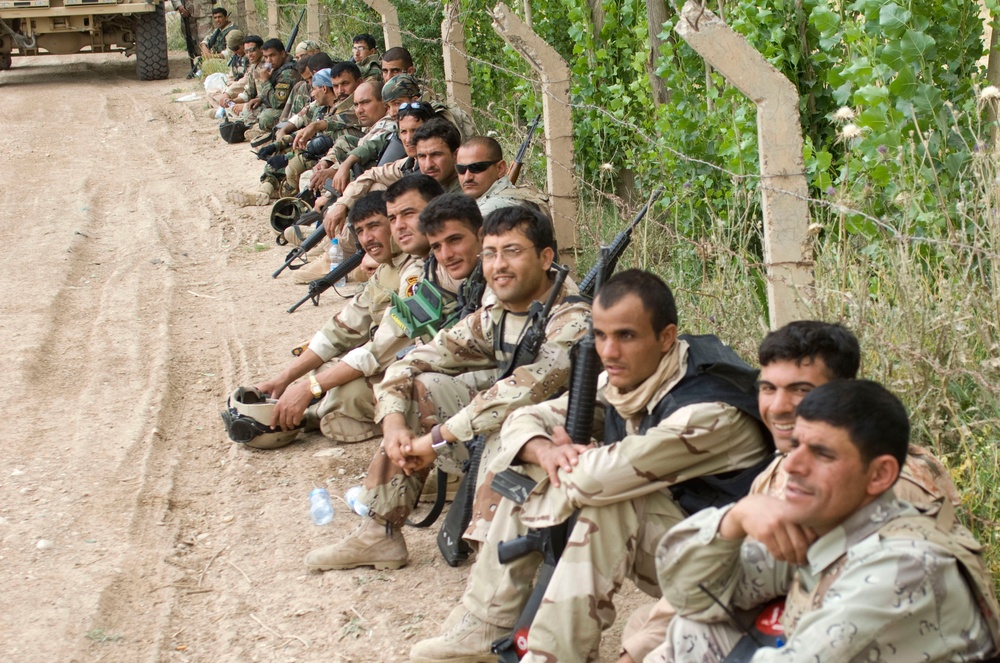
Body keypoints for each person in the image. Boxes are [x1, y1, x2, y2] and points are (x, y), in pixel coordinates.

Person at [409, 270, 772, 662]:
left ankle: (555, 655)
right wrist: (544, 451)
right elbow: (522, 418)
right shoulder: (638, 374)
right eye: (600, 335)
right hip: (684, 542)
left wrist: (566, 457)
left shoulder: (707, 410)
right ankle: (486, 624)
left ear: (667, 337)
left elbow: (592, 481)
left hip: (737, 570)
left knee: (612, 500)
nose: (609, 352)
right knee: (528, 457)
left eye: (626, 336)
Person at [621, 320, 962, 663]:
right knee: (669, 627)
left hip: (848, 634)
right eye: (768, 388)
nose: (778, 406)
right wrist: (734, 519)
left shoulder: (882, 487)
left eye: (800, 390)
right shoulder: (785, 466)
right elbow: (708, 589)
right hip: (805, 614)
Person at [303, 205, 591, 572]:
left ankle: (497, 573)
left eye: (512, 252)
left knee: (507, 426)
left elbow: (517, 394)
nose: (499, 265)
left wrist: (434, 441)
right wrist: (393, 424)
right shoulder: (500, 313)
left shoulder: (572, 320)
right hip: (518, 428)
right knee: (417, 386)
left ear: (546, 258)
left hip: (570, 446)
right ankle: (379, 532)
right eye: (490, 254)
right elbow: (412, 361)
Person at [656, 379, 1000, 663]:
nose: (792, 465)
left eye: (822, 454)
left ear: (879, 475)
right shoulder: (828, 525)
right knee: (695, 627)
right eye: (795, 446)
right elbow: (691, 595)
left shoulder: (907, 566)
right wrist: (734, 519)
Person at [253, 186, 422, 444]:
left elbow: (382, 347)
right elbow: (342, 328)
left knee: (347, 391)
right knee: (323, 366)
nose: (367, 238)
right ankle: (314, 410)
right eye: (360, 231)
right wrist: (284, 379)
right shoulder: (387, 268)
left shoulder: (415, 272)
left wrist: (310, 388)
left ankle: (310, 415)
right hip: (386, 358)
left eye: (374, 226)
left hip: (409, 362)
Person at [320, 117, 461, 244]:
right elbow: (373, 174)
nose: (428, 164)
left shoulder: (465, 187)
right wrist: (343, 204)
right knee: (376, 189)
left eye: (436, 155)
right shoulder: (411, 165)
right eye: (422, 156)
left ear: (456, 155)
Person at [455, 136, 546, 215]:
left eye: (476, 167)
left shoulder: (493, 208)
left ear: (500, 169)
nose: (467, 177)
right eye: (460, 169)